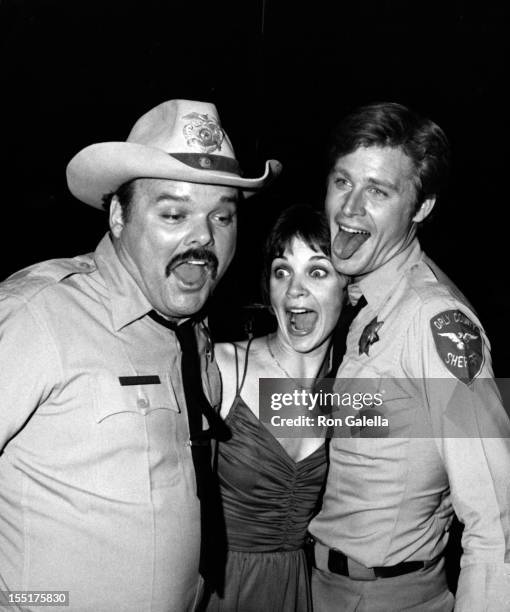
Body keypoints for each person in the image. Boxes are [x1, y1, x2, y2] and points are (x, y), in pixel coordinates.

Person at [0, 99, 281, 611]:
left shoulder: (191, 331)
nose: (203, 236)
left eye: (222, 215)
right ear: (117, 215)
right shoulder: (37, 315)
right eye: (174, 213)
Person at [308, 102, 510, 611]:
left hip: (385, 597)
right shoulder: (356, 302)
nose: (350, 208)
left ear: (420, 208)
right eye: (342, 181)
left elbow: (498, 516)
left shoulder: (436, 322)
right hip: (319, 588)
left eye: (378, 191)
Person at [202, 205, 347, 611]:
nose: (294, 290)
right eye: (282, 271)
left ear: (348, 288)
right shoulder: (226, 366)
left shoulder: (347, 392)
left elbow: (477, 425)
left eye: (317, 272)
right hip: (221, 589)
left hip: (300, 590)